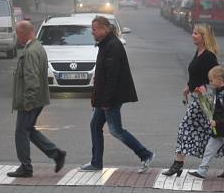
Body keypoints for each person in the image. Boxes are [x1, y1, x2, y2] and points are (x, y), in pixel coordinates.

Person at [80, 16, 154, 173]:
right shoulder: (106, 44)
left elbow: (112, 77)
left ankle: (145, 154)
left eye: (94, 29)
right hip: (104, 97)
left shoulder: (112, 46)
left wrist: (105, 100)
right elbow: (103, 74)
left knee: (115, 130)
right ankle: (96, 162)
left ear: (104, 29)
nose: (92, 32)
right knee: (95, 125)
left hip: (111, 98)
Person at [162, 24, 224, 177]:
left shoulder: (209, 55)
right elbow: (196, 74)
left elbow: (217, 77)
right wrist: (189, 86)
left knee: (185, 127)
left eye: (196, 33)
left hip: (204, 99)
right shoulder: (199, 52)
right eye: (193, 33)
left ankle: (178, 163)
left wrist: (204, 87)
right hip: (198, 96)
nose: (192, 35)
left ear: (203, 37)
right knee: (214, 131)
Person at [8, 21, 66, 178]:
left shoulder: (31, 51)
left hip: (31, 100)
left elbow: (31, 78)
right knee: (29, 130)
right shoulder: (38, 47)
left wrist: (28, 101)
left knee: (21, 132)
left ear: (24, 33)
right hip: (38, 98)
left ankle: (26, 167)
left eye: (17, 33)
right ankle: (56, 154)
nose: (16, 36)